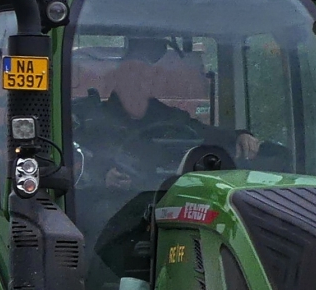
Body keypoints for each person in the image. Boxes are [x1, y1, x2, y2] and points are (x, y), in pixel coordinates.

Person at [75, 38, 260, 189]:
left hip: (164, 198)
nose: (139, 83)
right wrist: (103, 176)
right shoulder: (92, 119)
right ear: (117, 80)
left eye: (145, 78)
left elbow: (203, 133)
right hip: (110, 203)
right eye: (131, 76)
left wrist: (238, 136)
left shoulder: (168, 117)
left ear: (151, 84)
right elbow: (75, 158)